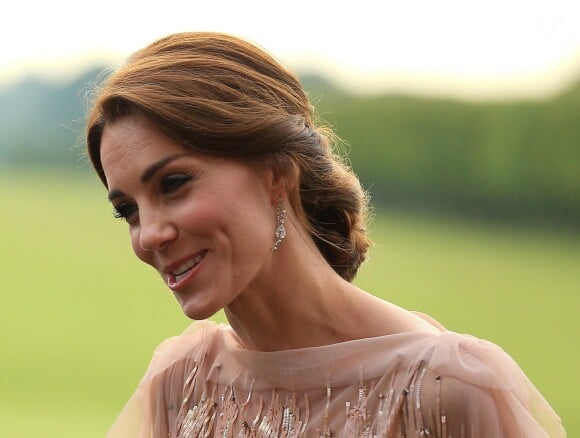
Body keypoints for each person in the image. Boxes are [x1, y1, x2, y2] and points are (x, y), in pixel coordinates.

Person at [86, 32, 565, 437]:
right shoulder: (180, 383)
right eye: (127, 210)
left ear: (277, 171)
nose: (149, 235)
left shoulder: (449, 388)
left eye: (173, 184)